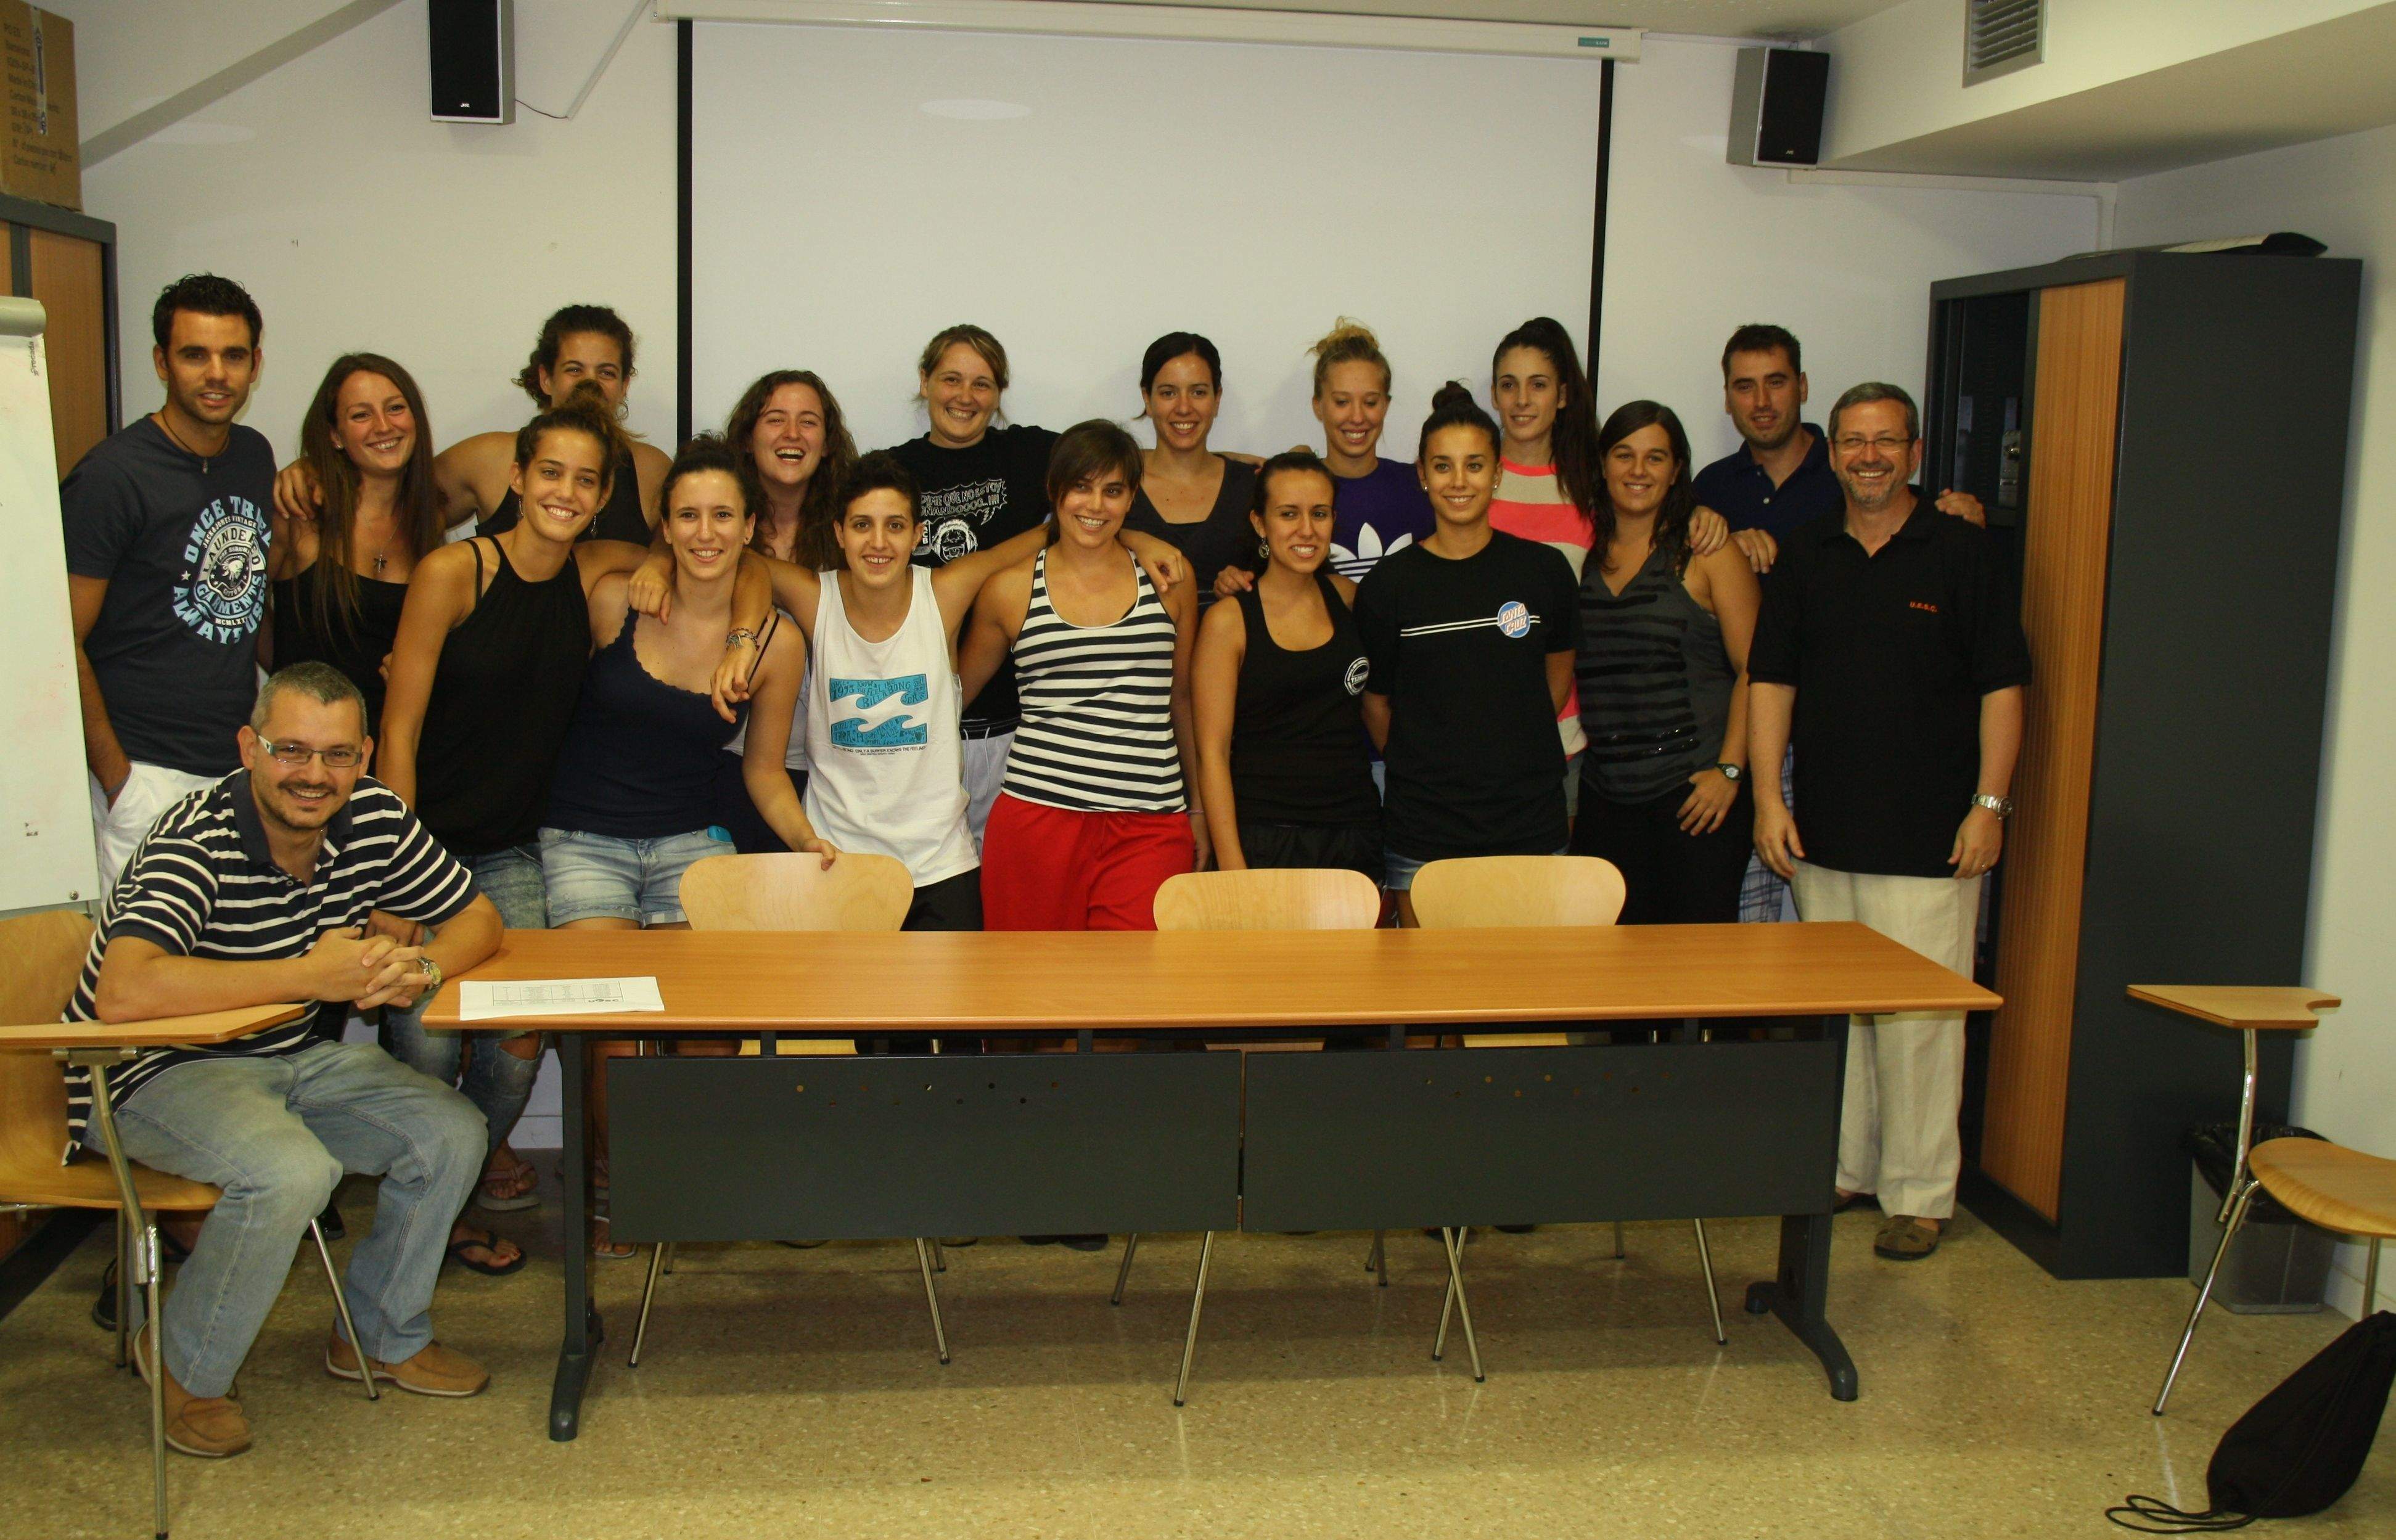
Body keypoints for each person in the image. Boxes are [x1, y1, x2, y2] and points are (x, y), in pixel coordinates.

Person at [65, 662, 503, 1457]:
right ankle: (184, 1367)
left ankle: (380, 1335)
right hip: (147, 1067)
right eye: (291, 750)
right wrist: (307, 975)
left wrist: (424, 967)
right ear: (249, 748)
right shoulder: (194, 836)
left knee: (450, 1131)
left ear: (364, 757)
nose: (314, 774)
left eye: (337, 754)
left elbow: (479, 917)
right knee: (290, 1173)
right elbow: (123, 993)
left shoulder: (373, 814)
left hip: (289, 1056)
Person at [375, 395, 742, 1265]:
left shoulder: (592, 574)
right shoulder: (453, 571)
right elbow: (398, 729)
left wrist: (670, 562)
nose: (565, 492)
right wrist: (394, 874)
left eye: (585, 480)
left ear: (605, 494)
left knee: (518, 1043)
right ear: (515, 476)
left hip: (514, 848)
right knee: (423, 1040)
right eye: (550, 472)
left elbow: (735, 564)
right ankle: (428, 1212)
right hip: (424, 848)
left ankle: (448, 1193)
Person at [1747, 382, 2029, 1264]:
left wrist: (1989, 805)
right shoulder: (1806, 553)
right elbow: (1771, 682)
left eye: (1885, 441)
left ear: (1913, 451)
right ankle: (1846, 1169)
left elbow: (2002, 688)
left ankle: (1918, 1194)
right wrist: (1767, 799)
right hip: (1823, 834)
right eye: (1852, 442)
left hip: (1932, 838)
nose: (1867, 457)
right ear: (1831, 451)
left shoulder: (1963, 552)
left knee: (1918, 1027)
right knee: (1843, 1018)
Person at [1694, 324, 1983, 924]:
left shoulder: (1858, 475)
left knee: (1870, 912)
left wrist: (1961, 515)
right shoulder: (1711, 488)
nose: (1761, 401)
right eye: (1744, 386)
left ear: (1802, 386)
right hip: (1753, 721)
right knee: (1756, 916)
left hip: (1860, 743)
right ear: (1727, 397)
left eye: (1776, 382)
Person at [66, 274, 276, 888]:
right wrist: (118, 782)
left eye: (233, 355)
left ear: (255, 364)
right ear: (162, 362)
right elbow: (59, 641)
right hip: (144, 773)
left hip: (236, 768)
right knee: (144, 951)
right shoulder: (112, 476)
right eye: (194, 355)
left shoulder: (253, 456)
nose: (217, 373)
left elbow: (249, 598)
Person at [962, 419, 1204, 930]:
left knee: (1138, 978)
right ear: (1055, 490)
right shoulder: (1009, 589)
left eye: (1113, 491)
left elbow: (1181, 699)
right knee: (1030, 978)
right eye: (1081, 487)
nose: (1096, 505)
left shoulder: (1170, 579)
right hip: (1036, 822)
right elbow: (954, 699)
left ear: (1132, 497)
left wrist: (1198, 808)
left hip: (1149, 823)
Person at [1356, 385, 1579, 926]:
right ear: (1422, 475)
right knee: (1427, 975)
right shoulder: (1389, 585)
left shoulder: (1544, 571)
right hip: (1424, 827)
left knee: (1531, 974)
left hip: (1528, 820)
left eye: (1474, 465)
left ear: (1497, 473)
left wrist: (1506, 748)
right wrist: (1431, 764)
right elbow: (1376, 703)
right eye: (1444, 466)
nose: (1459, 482)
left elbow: (1557, 676)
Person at [1488, 317, 1729, 818]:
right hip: (1480, 731)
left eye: (1538, 385)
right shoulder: (1470, 482)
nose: (1522, 400)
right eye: (1509, 385)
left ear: (1562, 395)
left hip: (1571, 740)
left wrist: (1705, 517)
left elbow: (1653, 515)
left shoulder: (1590, 489)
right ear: (1494, 394)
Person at [1569, 402, 1760, 925]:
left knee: (1692, 965)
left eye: (1655, 458)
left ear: (1677, 470)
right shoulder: (1583, 556)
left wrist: (1729, 771)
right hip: (1605, 798)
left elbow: (1757, 669)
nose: (1638, 470)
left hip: (1695, 798)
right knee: (1609, 965)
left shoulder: (1708, 552)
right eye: (1624, 455)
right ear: (1602, 464)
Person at [274, 303, 665, 546]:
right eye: (574, 369)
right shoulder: (488, 457)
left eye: (607, 372)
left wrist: (656, 561)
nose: (589, 384)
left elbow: (679, 544)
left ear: (624, 385)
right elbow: (392, 493)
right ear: (546, 379)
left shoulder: (651, 469)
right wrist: (317, 467)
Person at [888, 325, 1062, 848]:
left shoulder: (1030, 453)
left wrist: (1232, 463)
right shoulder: (891, 470)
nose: (965, 396)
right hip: (918, 726)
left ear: (999, 394)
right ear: (925, 382)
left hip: (1016, 729)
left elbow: (1119, 467)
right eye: (951, 379)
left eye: (982, 384)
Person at [1191, 449, 1381, 882]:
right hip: (1263, 838)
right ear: (1260, 523)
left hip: (1354, 834)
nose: (1307, 530)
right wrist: (1235, 872)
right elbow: (1212, 755)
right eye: (1289, 514)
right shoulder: (1228, 621)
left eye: (1320, 514)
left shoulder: (1350, 599)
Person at [709, 369, 860, 853]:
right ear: (747, 437)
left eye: (808, 422)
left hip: (829, 775)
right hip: (722, 764)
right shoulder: (714, 527)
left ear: (828, 443)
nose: (792, 434)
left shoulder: (853, 535)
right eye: (775, 419)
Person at [266, 354, 444, 741]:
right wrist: (287, 675)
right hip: (303, 748)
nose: (384, 426)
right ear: (335, 435)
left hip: (394, 748)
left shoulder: (430, 521)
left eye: (395, 408)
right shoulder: (299, 515)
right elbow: (240, 614)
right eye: (361, 415)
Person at [1122, 332, 1260, 600]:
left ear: (1217, 399)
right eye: (1168, 393)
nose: (1184, 408)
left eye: (1198, 392)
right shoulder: (1114, 483)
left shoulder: (1251, 485)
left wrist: (1246, 583)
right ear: (1147, 399)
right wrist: (1132, 538)